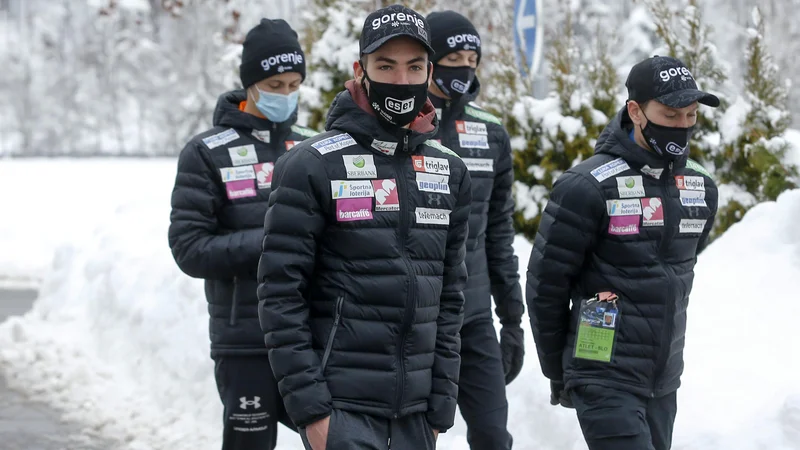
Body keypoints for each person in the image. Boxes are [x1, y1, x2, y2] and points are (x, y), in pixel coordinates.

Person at [256, 4, 473, 450]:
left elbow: (451, 297)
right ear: (361, 69)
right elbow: (281, 294)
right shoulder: (311, 165)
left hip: (417, 416)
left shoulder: (449, 171)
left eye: (414, 66)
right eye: (385, 65)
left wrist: (440, 405)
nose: (401, 80)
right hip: (342, 409)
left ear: (429, 71)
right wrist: (312, 412)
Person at [526, 55, 720, 450]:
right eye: (670, 114)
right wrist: (558, 370)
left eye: (690, 115)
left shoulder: (701, 186)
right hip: (601, 374)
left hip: (663, 381)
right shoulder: (585, 186)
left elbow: (677, 270)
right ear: (635, 111)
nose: (682, 126)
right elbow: (546, 285)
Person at [167, 18, 318, 450]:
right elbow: (189, 248)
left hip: (311, 335)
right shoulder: (205, 152)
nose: (285, 95)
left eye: (294, 84)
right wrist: (271, 244)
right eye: (275, 84)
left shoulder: (315, 147)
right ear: (251, 83)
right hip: (245, 340)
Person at [425, 10, 524, 450]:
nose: (463, 67)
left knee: (491, 435)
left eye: (471, 57)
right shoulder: (396, 127)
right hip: (415, 318)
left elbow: (499, 233)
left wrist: (513, 319)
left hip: (474, 316)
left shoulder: (491, 133)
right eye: (452, 56)